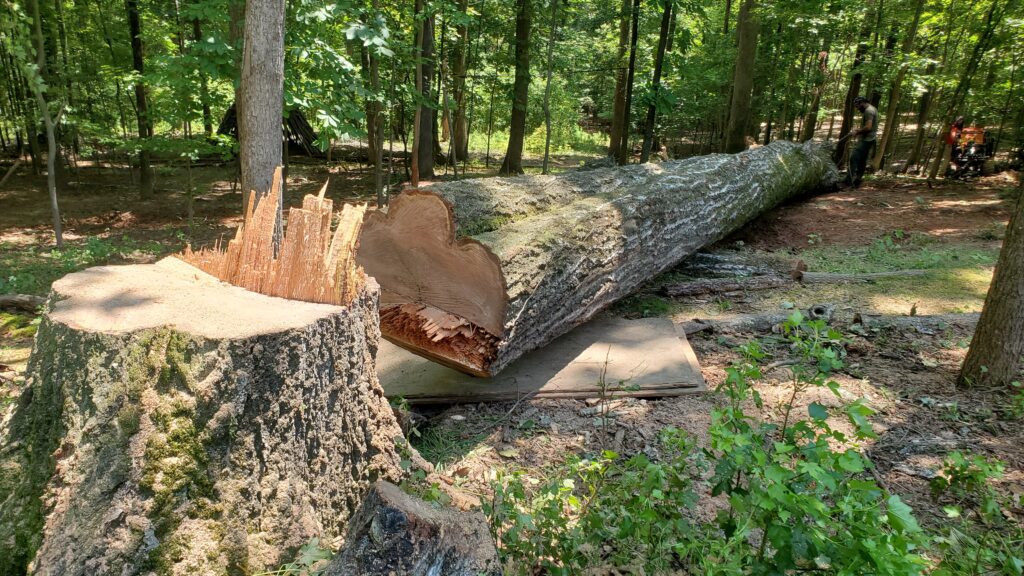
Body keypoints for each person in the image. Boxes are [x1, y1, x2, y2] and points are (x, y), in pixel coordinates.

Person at [845, 95, 877, 188]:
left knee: (853, 158)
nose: (858, 109)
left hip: (867, 139)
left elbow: (868, 127)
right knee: (862, 160)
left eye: (858, 106)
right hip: (870, 138)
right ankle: (858, 180)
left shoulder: (868, 111)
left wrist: (857, 132)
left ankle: (848, 180)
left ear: (862, 103)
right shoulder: (872, 109)